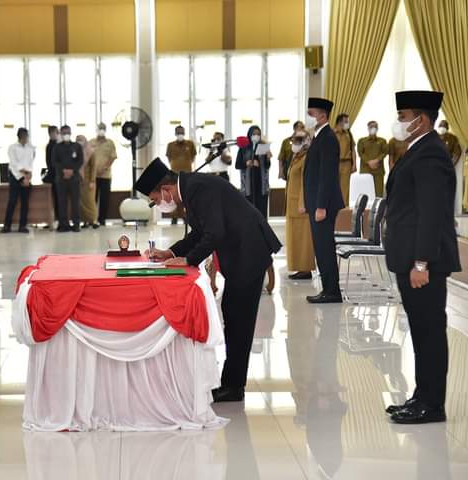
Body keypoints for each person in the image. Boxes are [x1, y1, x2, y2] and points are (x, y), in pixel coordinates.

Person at [136, 159, 281, 403]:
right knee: (233, 315)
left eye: (156, 200)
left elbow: (215, 233)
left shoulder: (198, 189)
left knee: (239, 320)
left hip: (249, 251)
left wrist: (188, 260)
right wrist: (171, 253)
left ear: (166, 190)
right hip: (240, 251)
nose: (159, 204)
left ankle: (233, 387)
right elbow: (200, 232)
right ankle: (231, 383)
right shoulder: (192, 188)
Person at [384, 90, 461, 425]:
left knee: (429, 331)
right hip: (410, 255)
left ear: (422, 119)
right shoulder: (417, 150)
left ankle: (432, 405)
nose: (400, 122)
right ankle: (422, 395)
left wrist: (421, 262)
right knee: (421, 330)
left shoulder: (430, 154)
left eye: (404, 116)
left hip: (422, 261)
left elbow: (431, 214)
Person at [304, 97, 344, 304]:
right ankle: (329, 289)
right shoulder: (319, 136)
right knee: (320, 247)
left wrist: (320, 205)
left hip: (324, 205)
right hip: (317, 202)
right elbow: (313, 174)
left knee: (324, 247)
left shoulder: (328, 138)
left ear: (322, 115)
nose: (308, 117)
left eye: (311, 113)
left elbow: (327, 176)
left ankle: (332, 291)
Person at [235, 125, 275, 293]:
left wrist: (266, 157)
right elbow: (237, 165)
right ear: (249, 135)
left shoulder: (264, 146)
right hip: (248, 188)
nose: (256, 136)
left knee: (261, 215)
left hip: (261, 188)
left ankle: (262, 234)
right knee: (249, 216)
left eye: (258, 134)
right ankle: (250, 234)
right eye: (254, 134)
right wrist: (247, 162)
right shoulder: (243, 148)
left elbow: (268, 165)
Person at [285, 129, 315, 280]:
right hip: (291, 203)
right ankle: (299, 267)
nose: (293, 144)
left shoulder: (307, 158)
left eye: (297, 141)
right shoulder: (296, 157)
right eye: (293, 141)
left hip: (300, 204)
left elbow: (306, 182)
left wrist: (303, 202)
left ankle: (306, 268)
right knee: (294, 237)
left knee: (303, 237)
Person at [2, 128, 35, 233]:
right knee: (12, 201)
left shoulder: (31, 148)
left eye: (27, 136)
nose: (26, 138)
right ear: (20, 137)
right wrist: (24, 176)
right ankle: (7, 226)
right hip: (15, 177)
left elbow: (31, 162)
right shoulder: (12, 148)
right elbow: (15, 164)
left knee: (25, 203)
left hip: (26, 177)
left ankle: (22, 226)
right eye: (24, 136)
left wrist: (28, 176)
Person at [51, 125, 83, 232]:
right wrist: (63, 171)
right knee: (62, 202)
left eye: (68, 132)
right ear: (60, 134)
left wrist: (72, 171)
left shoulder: (77, 146)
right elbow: (54, 161)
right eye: (64, 133)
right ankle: (63, 224)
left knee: (75, 202)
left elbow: (80, 161)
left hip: (74, 179)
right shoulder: (57, 147)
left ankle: (76, 224)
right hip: (61, 179)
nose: (66, 135)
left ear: (71, 133)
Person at [165, 125, 196, 224]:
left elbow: (193, 157)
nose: (180, 134)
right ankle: (174, 217)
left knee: (186, 196)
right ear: (175, 133)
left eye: (181, 132)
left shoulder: (190, 144)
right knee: (174, 196)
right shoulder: (170, 145)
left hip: (187, 175)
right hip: (174, 175)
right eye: (178, 132)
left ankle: (186, 216)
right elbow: (169, 158)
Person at [90, 123, 117, 226]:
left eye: (103, 129)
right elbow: (87, 156)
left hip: (106, 175)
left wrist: (105, 167)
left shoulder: (110, 143)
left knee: (104, 199)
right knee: (92, 199)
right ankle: (92, 219)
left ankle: (102, 220)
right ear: (96, 130)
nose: (101, 130)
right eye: (99, 129)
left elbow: (113, 157)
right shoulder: (91, 142)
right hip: (93, 176)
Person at [357, 121, 389, 196]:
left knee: (378, 193)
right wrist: (369, 162)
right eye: (371, 126)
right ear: (368, 128)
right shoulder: (362, 141)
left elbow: (385, 152)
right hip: (366, 169)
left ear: (377, 128)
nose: (373, 128)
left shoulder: (382, 141)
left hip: (378, 170)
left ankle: (378, 208)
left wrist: (377, 160)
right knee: (366, 192)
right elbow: (360, 153)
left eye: (375, 127)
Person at [334, 113, 356, 206]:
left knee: (345, 188)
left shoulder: (349, 134)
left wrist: (354, 164)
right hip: (335, 163)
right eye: (345, 122)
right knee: (334, 187)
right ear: (339, 122)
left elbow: (353, 149)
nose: (347, 123)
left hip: (346, 163)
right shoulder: (332, 134)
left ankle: (344, 208)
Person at [76, 134, 98, 228]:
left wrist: (92, 181)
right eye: (77, 140)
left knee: (90, 201)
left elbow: (93, 167)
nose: (79, 142)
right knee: (81, 202)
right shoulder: (76, 152)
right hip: (79, 180)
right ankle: (85, 221)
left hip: (89, 181)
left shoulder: (91, 152)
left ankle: (93, 221)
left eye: (81, 140)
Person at [43, 125, 60, 227]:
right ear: (50, 134)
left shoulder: (59, 144)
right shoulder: (49, 146)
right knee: (53, 199)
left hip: (61, 175)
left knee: (60, 199)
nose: (55, 134)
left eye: (56, 132)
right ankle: (52, 220)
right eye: (53, 133)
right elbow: (49, 162)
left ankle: (60, 219)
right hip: (53, 176)